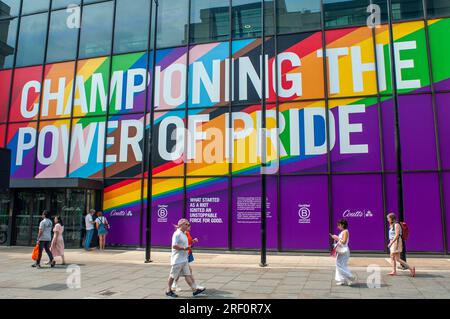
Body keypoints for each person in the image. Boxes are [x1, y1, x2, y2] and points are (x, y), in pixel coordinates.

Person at [165, 219, 205, 298]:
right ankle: (168, 290)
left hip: (184, 259)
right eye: (186, 224)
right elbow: (174, 246)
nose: (188, 225)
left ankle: (194, 291)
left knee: (187, 274)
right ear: (181, 225)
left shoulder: (184, 233)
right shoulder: (177, 234)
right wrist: (184, 248)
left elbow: (186, 244)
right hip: (177, 259)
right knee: (173, 276)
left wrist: (190, 244)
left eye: (188, 224)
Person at [171, 223, 204, 292]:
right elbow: (176, 245)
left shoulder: (187, 233)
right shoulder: (180, 234)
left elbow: (188, 243)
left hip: (186, 254)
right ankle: (193, 287)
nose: (190, 228)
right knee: (185, 272)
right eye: (188, 226)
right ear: (184, 226)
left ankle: (175, 285)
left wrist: (193, 241)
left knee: (183, 272)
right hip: (181, 256)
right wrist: (184, 248)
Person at [331, 219, 356, 286]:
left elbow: (344, 241)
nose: (338, 227)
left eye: (338, 225)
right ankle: (344, 280)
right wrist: (336, 238)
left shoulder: (345, 231)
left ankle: (350, 277)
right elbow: (342, 241)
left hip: (344, 250)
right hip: (342, 250)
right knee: (341, 265)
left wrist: (337, 238)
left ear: (342, 225)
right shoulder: (344, 231)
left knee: (339, 265)